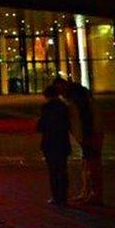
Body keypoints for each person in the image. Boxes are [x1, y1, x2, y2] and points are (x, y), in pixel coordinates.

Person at [64, 81, 103, 205]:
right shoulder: (87, 102)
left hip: (89, 137)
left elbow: (83, 123)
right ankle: (88, 192)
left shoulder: (81, 105)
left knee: (91, 166)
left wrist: (82, 138)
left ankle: (94, 194)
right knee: (88, 165)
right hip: (91, 136)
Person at [37, 78, 71, 206]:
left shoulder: (47, 107)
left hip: (50, 143)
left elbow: (41, 126)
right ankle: (64, 197)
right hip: (62, 142)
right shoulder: (64, 107)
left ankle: (56, 196)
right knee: (63, 170)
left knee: (53, 171)